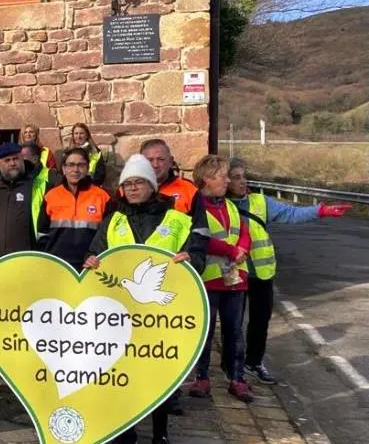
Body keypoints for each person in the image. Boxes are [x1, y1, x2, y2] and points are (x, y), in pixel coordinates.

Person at [83, 154, 207, 444]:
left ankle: (160, 433)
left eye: (139, 182)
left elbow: (197, 255)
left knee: (157, 376)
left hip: (160, 316)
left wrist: (192, 260)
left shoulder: (177, 219)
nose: (134, 188)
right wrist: (89, 261)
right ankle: (124, 430)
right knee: (122, 373)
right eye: (128, 184)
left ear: (152, 186)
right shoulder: (113, 220)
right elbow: (94, 253)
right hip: (119, 315)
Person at [227, 158, 350, 385]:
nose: (242, 181)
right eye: (236, 177)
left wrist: (321, 211)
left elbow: (290, 213)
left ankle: (253, 362)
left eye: (244, 176)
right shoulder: (218, 205)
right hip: (232, 273)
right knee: (232, 323)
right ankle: (232, 367)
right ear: (225, 181)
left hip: (262, 273)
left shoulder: (260, 202)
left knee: (260, 321)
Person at [187, 154, 253, 403]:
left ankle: (237, 378)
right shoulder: (197, 206)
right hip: (208, 279)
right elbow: (201, 238)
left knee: (234, 331)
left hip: (235, 279)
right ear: (207, 179)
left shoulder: (231, 206)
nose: (227, 181)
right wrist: (230, 250)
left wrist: (242, 249)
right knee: (204, 332)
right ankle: (202, 377)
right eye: (222, 176)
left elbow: (242, 231)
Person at [0, 143, 49, 262]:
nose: (12, 163)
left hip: (30, 260)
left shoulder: (38, 185)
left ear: (22, 158)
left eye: (16, 158)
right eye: (7, 160)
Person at [41, 148, 110, 271]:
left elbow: (108, 235)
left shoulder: (102, 196)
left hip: (91, 267)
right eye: (71, 165)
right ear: (64, 169)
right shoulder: (50, 196)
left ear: (88, 167)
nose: (76, 170)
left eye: (81, 165)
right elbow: (41, 235)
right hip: (56, 266)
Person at [140, 139, 198, 214]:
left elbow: (201, 224)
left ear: (170, 161)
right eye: (149, 160)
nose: (155, 165)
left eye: (161, 159)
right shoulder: (126, 191)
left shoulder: (188, 189)